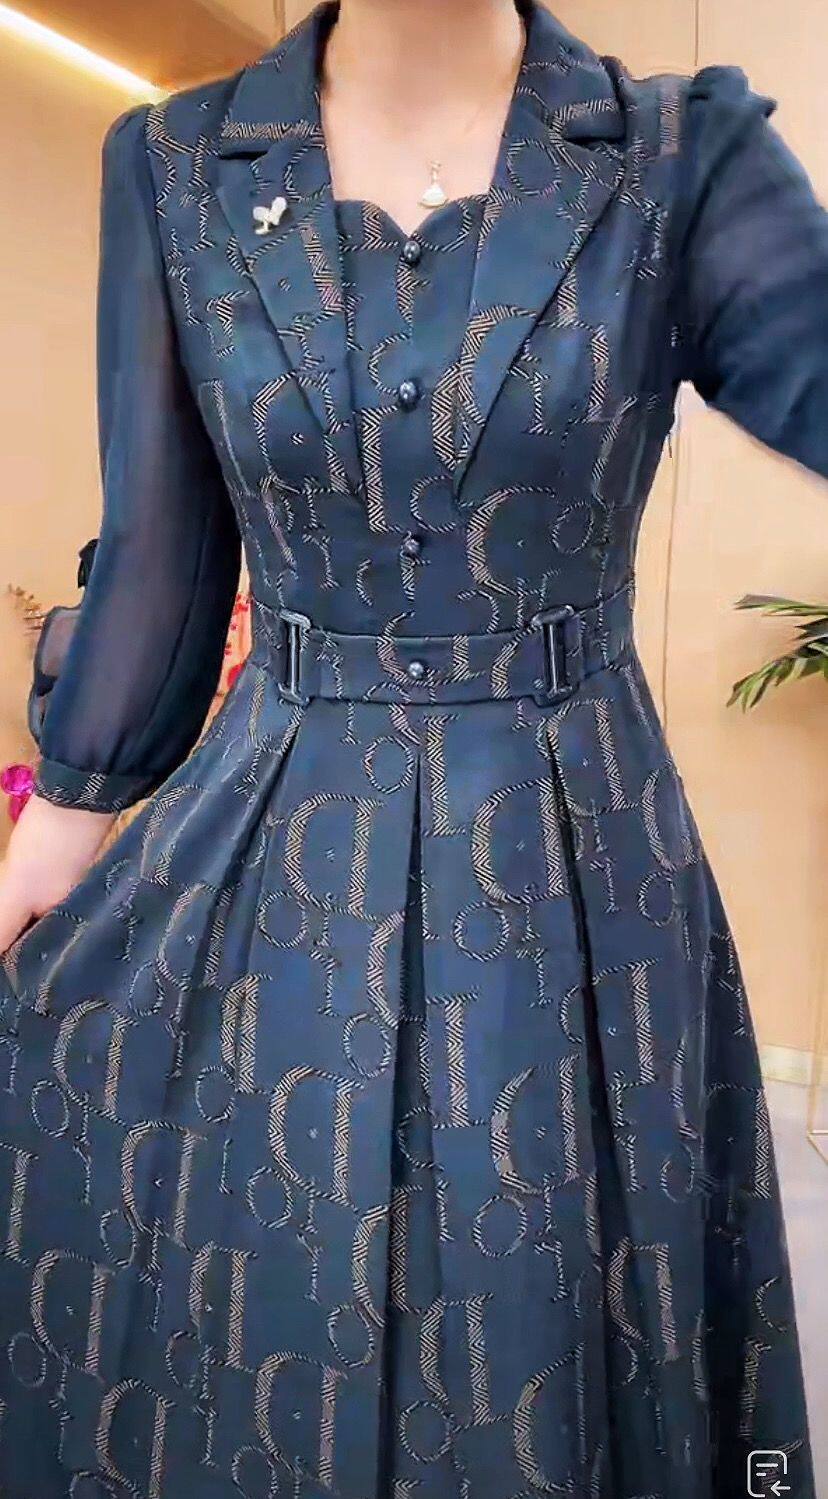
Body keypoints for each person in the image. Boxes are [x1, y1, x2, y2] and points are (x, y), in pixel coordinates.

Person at [0, 0, 823, 1492]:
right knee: (268, 1282)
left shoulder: (676, 156)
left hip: (575, 860)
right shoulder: (174, 166)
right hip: (276, 840)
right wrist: (62, 817)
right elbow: (163, 550)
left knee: (539, 1308)